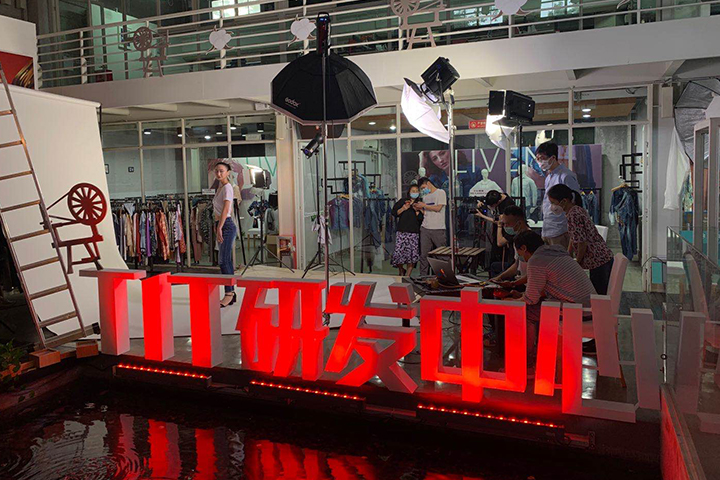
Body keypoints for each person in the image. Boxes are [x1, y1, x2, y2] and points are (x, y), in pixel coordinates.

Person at [505, 231, 597, 369]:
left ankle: (526, 364)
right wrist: (520, 293)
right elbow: (544, 287)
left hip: (577, 311)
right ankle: (537, 352)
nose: (520, 257)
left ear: (523, 248)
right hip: (590, 306)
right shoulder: (556, 251)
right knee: (532, 307)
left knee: (526, 312)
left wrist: (507, 302)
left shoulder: (536, 260)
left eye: (519, 252)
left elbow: (530, 300)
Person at [547, 184, 615, 295]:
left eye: (553, 203)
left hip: (598, 261)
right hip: (601, 258)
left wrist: (577, 264)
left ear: (564, 201)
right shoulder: (576, 210)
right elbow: (574, 237)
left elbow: (582, 243)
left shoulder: (573, 215)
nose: (552, 207)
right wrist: (568, 254)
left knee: (598, 297)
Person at [536, 141, 580, 248]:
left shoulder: (566, 176)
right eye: (537, 158)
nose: (540, 162)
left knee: (560, 257)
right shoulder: (549, 177)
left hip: (561, 230)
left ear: (553, 158)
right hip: (548, 227)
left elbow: (575, 202)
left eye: (542, 158)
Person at [475, 190, 515, 277]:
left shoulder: (508, 206)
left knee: (497, 258)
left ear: (498, 202)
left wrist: (482, 216)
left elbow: (498, 222)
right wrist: (481, 202)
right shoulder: (497, 196)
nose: (491, 207)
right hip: (498, 232)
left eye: (492, 205)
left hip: (504, 233)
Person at [213, 161, 237, 307]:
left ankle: (229, 294)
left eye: (221, 171)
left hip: (226, 225)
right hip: (222, 224)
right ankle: (231, 293)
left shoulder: (227, 187)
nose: (218, 173)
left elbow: (226, 209)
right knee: (225, 260)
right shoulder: (220, 187)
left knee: (224, 261)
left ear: (228, 173)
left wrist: (220, 227)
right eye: (216, 171)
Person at [491, 205, 531, 287]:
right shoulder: (517, 237)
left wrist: (513, 283)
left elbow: (534, 272)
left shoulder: (530, 239)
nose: (505, 226)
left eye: (507, 224)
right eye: (504, 224)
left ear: (519, 223)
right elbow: (516, 265)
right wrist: (499, 277)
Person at [414, 177, 447, 276]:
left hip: (438, 228)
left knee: (441, 255)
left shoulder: (440, 192)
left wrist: (424, 205)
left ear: (428, 183)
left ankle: (444, 277)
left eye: (423, 187)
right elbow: (426, 212)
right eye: (421, 189)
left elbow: (438, 208)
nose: (423, 190)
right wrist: (419, 208)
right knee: (424, 255)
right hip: (425, 228)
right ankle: (423, 277)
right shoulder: (426, 196)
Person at [391, 185, 424, 277]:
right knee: (399, 253)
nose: (415, 192)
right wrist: (403, 208)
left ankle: (407, 276)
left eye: (416, 191)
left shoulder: (420, 203)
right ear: (409, 192)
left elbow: (422, 219)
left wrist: (418, 211)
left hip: (414, 232)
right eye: (413, 191)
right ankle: (401, 271)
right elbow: (394, 213)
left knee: (411, 255)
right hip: (401, 231)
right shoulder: (403, 201)